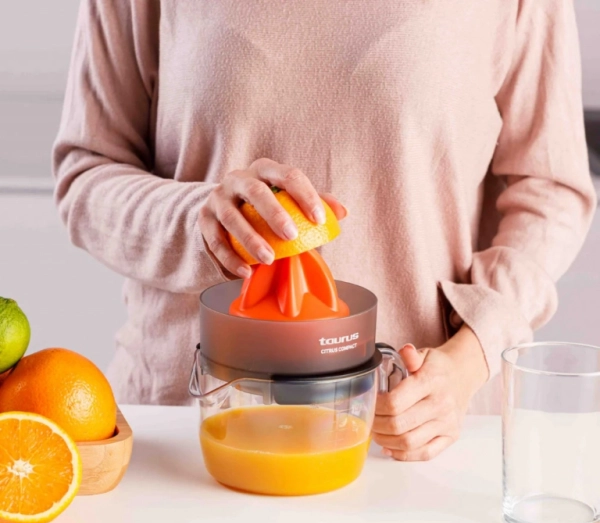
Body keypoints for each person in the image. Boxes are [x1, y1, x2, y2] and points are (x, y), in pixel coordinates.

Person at [53, 0, 596, 461]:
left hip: (411, 440)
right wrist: (200, 220)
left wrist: (472, 355)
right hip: (188, 434)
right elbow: (87, 171)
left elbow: (550, 189)